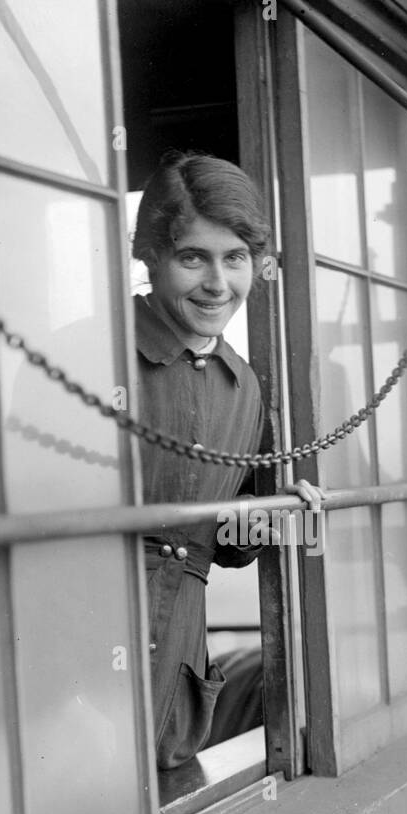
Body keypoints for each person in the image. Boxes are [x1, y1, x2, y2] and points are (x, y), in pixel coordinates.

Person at [132, 151, 319, 769]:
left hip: (174, 679)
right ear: (150, 257)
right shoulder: (89, 353)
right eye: (193, 258)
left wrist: (268, 517)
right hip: (75, 667)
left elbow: (226, 540)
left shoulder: (244, 386)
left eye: (234, 258)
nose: (218, 283)